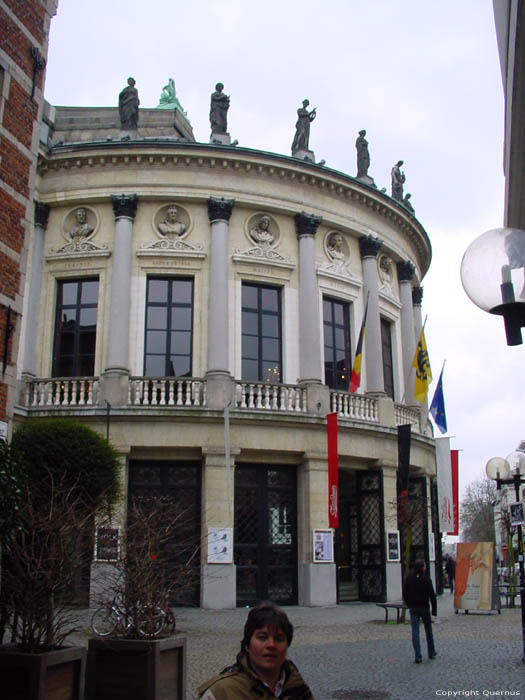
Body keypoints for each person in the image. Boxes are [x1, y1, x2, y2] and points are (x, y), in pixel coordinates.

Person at [197, 601, 314, 699]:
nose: (271, 645)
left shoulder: (298, 689)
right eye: (262, 638)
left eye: (279, 639)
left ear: (287, 644)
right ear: (247, 645)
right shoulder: (222, 693)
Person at [402, 559, 437, 664]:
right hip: (424, 608)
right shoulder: (426, 579)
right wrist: (434, 610)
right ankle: (431, 652)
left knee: (415, 632)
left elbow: (405, 592)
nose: (425, 568)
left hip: (413, 608)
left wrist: (409, 604)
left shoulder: (409, 578)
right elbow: (432, 595)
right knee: (428, 631)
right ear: (422, 567)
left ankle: (418, 656)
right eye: (425, 566)